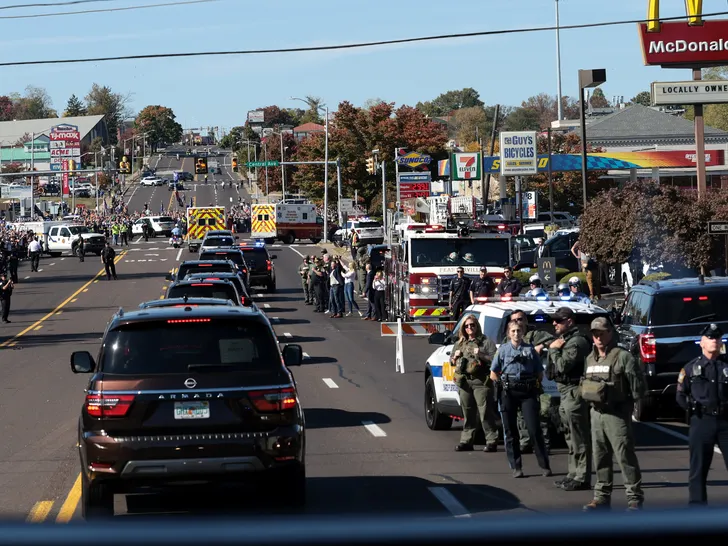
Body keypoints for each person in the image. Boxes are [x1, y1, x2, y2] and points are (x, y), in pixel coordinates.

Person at [582, 317, 646, 512]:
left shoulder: (623, 356)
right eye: (595, 334)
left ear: (610, 332)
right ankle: (601, 497)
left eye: (602, 332)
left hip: (616, 415)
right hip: (596, 414)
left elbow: (638, 388)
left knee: (625, 456)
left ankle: (634, 498)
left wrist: (628, 406)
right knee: (600, 457)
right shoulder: (589, 359)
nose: (599, 337)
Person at [491, 320, 552, 478]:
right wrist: (501, 386)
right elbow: (493, 373)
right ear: (508, 333)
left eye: (518, 331)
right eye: (513, 331)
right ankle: (516, 466)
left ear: (522, 332)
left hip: (527, 392)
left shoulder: (530, 350)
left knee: (534, 429)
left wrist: (534, 386)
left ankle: (544, 465)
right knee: (511, 432)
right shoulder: (503, 350)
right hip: (508, 392)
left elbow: (539, 372)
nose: (516, 334)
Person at [676, 323, 728, 506]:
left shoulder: (726, 366)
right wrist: (693, 411)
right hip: (702, 421)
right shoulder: (691, 368)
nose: (714, 341)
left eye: (717, 338)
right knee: (698, 470)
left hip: (725, 421)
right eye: (710, 338)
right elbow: (681, 395)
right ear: (702, 343)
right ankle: (697, 509)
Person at [546, 307, 593, 491]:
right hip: (564, 392)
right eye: (554, 320)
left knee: (579, 436)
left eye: (559, 320)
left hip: (574, 392)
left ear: (570, 321)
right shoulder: (564, 340)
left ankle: (582, 477)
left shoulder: (577, 342)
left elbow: (563, 366)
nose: (554, 323)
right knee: (570, 437)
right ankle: (573, 474)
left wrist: (553, 351)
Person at [451, 315, 499, 453]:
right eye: (466, 326)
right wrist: (455, 357)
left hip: (481, 382)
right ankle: (466, 441)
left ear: (477, 326)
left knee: (485, 413)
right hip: (465, 381)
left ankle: (491, 441)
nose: (469, 328)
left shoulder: (486, 342)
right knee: (467, 412)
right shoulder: (460, 343)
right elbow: (452, 361)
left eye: (472, 325)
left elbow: (495, 360)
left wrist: (482, 355)